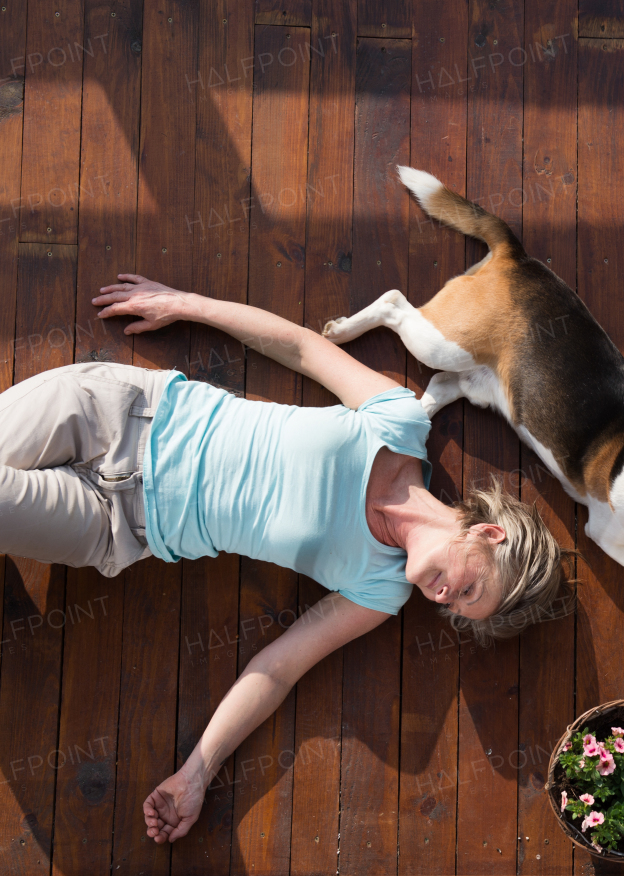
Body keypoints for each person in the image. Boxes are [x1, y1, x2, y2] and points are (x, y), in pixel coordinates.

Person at [0, 274, 568, 843]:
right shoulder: (399, 422)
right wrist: (189, 304)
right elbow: (300, 346)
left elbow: (276, 670)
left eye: (457, 608)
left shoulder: (378, 590)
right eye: (471, 590)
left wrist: (198, 773)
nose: (445, 599)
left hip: (112, 523)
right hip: (117, 411)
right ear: (489, 533)